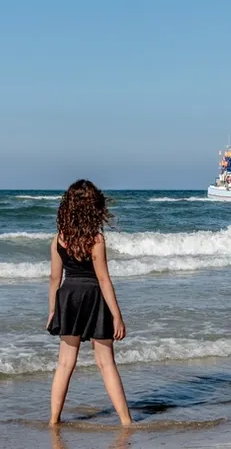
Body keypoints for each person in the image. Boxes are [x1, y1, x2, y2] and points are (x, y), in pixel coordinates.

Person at [47, 179, 132, 427]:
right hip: (94, 297)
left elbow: (54, 278)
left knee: (65, 363)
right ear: (93, 207)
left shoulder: (59, 239)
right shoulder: (96, 239)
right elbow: (103, 279)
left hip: (68, 296)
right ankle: (126, 421)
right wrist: (117, 315)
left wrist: (54, 310)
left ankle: (53, 420)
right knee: (106, 363)